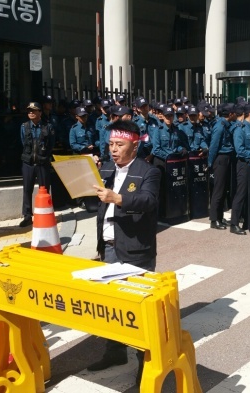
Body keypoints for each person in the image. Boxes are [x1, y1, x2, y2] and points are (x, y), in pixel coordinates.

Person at [88, 120, 160, 386]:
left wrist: (118, 198)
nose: (114, 150)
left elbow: (149, 202)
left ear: (135, 145)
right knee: (111, 307)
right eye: (110, 145)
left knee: (138, 309)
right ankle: (114, 352)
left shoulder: (148, 171)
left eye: (120, 145)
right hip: (109, 247)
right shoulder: (106, 168)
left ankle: (145, 365)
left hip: (136, 250)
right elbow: (91, 197)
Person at [19, 102, 55, 227]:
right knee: (27, 189)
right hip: (28, 163)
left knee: (44, 189)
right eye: (29, 111)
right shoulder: (24, 126)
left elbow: (51, 144)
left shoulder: (47, 127)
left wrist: (43, 156)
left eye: (34, 111)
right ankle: (27, 216)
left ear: (40, 112)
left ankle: (46, 214)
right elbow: (24, 142)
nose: (31, 113)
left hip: (42, 163)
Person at [230, 103, 250, 235]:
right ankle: (234, 223)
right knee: (241, 193)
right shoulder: (240, 129)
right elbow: (240, 150)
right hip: (245, 164)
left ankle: (249, 221)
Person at [207, 104, 235, 230]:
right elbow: (213, 146)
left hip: (227, 158)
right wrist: (210, 163)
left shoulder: (226, 125)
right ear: (229, 114)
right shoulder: (220, 127)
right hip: (220, 159)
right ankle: (214, 219)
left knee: (223, 190)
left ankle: (219, 216)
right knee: (218, 190)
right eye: (233, 113)